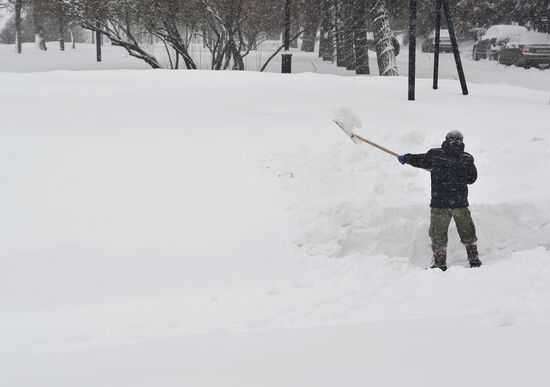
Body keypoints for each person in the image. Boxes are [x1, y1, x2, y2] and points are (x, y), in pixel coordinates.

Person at [397, 130, 482, 271]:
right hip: (459, 203)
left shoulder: (435, 154)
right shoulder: (467, 158)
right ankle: (474, 259)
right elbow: (471, 179)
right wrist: (458, 175)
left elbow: (419, 160)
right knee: (467, 231)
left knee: (438, 234)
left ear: (446, 140)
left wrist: (406, 157)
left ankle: (440, 263)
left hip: (440, 203)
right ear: (462, 141)